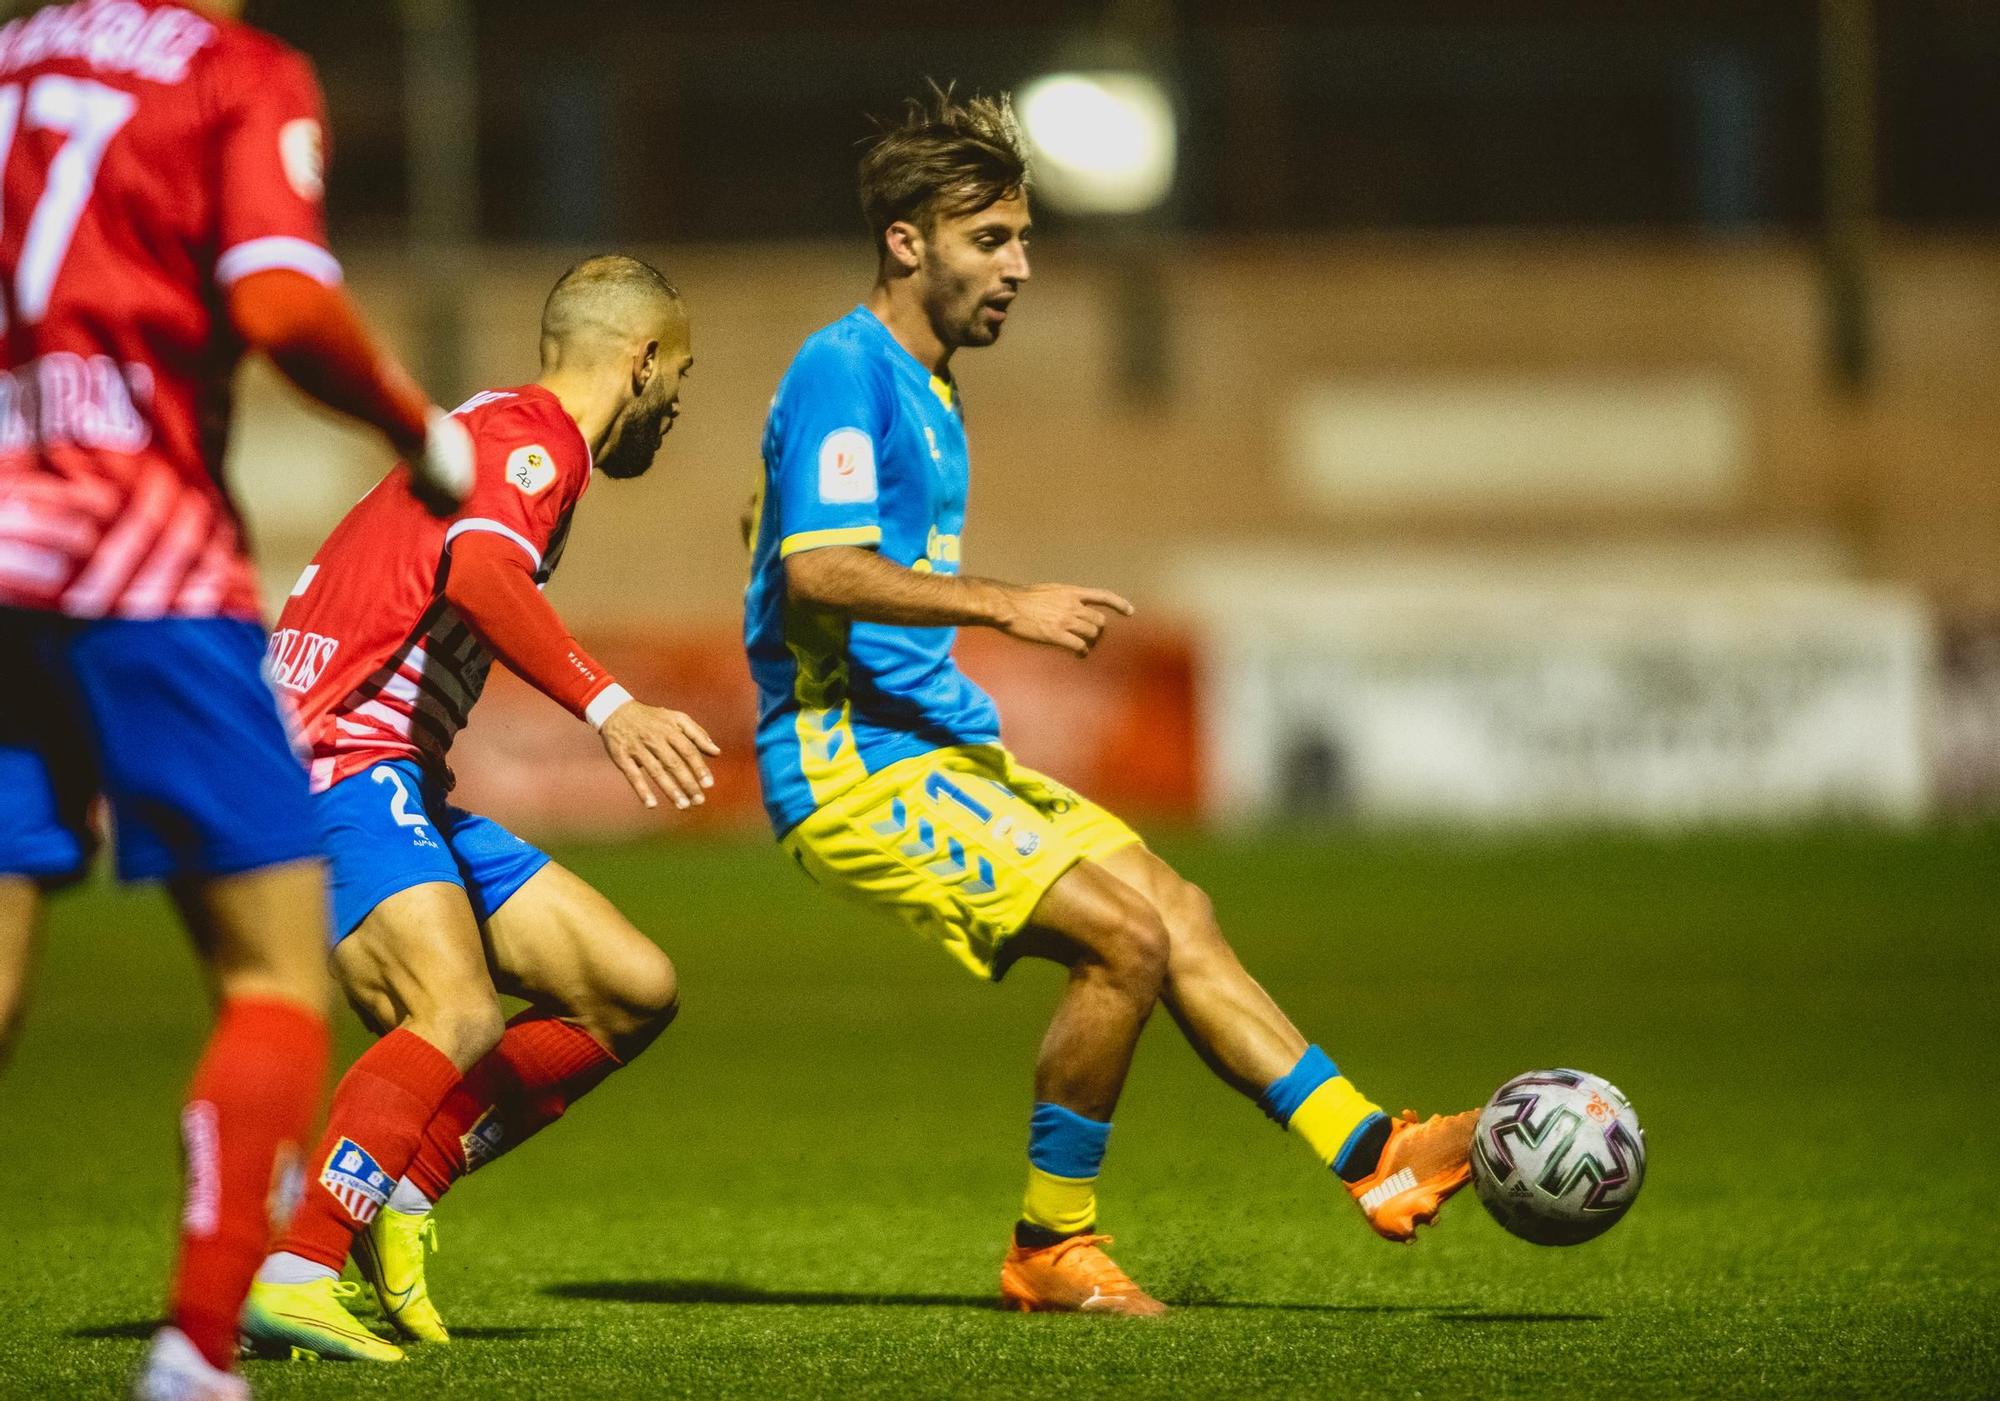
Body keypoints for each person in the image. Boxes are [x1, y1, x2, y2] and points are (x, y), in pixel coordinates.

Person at [743, 86, 1478, 1316]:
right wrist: (1005, 605)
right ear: (904, 242)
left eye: (1024, 238)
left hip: (933, 748)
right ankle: (1050, 1244)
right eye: (992, 240)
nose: (1021, 268)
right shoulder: (842, 367)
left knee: (1172, 908)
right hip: (845, 759)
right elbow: (814, 569)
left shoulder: (927, 385)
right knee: (1121, 943)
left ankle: (1371, 1155)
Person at [0, 1, 472, 1395]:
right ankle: (196, 1356)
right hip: (136, 551)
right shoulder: (233, 71)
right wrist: (412, 423)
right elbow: (277, 298)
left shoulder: (12, 54)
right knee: (274, 975)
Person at [240, 254, 715, 1363]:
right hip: (333, 752)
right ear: (640, 361)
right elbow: (478, 576)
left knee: (627, 991)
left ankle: (403, 1186)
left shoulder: (501, 434)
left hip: (394, 770)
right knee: (453, 1010)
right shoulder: (533, 443)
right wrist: (611, 707)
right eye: (679, 378)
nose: (677, 405)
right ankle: (300, 1263)